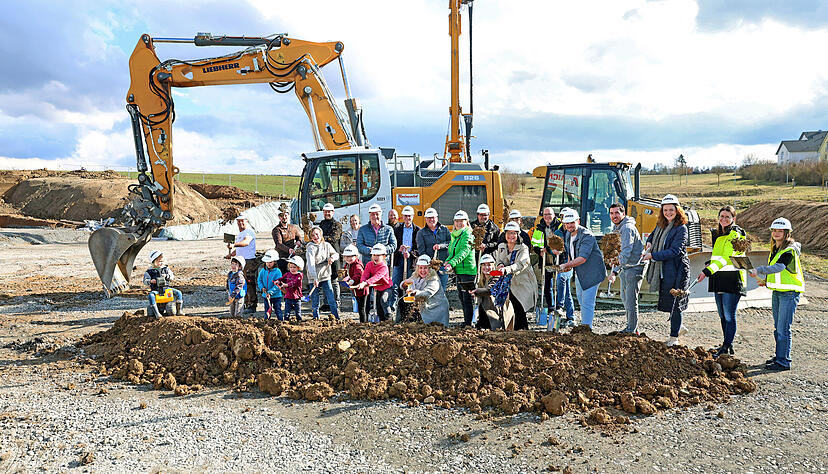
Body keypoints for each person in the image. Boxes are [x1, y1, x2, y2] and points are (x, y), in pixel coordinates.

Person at [749, 217, 804, 371]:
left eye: (780, 231)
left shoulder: (789, 250)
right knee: (778, 328)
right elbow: (778, 272)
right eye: (774, 230)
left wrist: (760, 270)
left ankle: (783, 361)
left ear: (787, 233)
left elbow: (780, 267)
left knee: (783, 329)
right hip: (778, 292)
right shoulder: (776, 249)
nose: (776, 233)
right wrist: (766, 281)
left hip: (789, 293)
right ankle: (780, 356)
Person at [696, 206, 747, 357]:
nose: (724, 219)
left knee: (729, 316)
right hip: (719, 278)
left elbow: (726, 258)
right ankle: (728, 344)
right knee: (722, 315)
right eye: (722, 216)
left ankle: (725, 347)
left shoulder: (735, 234)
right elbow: (718, 257)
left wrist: (707, 271)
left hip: (732, 279)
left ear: (733, 219)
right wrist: (710, 263)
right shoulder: (719, 235)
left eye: (727, 217)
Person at [643, 194, 690, 346]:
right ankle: (678, 327)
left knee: (675, 302)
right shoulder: (661, 225)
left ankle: (674, 338)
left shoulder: (681, 229)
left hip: (677, 270)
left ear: (677, 210)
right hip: (665, 269)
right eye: (665, 210)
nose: (668, 213)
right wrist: (649, 243)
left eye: (671, 210)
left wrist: (653, 256)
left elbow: (674, 251)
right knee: (670, 302)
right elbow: (651, 237)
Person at [559, 209, 606, 329]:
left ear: (578, 221)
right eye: (567, 223)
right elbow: (570, 252)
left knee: (587, 302)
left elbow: (582, 258)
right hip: (580, 272)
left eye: (572, 222)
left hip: (592, 272)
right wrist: (568, 264)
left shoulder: (587, 236)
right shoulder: (568, 234)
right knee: (580, 298)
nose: (570, 225)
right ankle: (585, 325)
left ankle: (586, 328)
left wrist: (566, 265)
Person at [492, 221, 537, 330]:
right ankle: (514, 330)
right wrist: (500, 265)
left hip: (522, 281)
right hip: (507, 282)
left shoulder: (523, 248)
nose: (511, 236)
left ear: (518, 235)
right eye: (508, 233)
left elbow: (520, 264)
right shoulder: (501, 246)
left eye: (513, 233)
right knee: (510, 308)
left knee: (520, 307)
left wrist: (505, 269)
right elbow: (498, 260)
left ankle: (523, 331)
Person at [607, 203, 645, 334]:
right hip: (626, 266)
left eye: (617, 213)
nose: (614, 216)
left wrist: (614, 271)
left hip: (635, 266)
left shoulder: (627, 228)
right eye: (612, 213)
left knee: (630, 300)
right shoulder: (617, 227)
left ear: (623, 213)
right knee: (625, 298)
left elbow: (626, 252)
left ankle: (631, 330)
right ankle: (633, 327)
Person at [444, 210, 477, 326]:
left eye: (461, 221)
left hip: (467, 271)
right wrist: (448, 260)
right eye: (457, 221)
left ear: (466, 222)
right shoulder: (455, 235)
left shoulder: (467, 234)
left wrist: (451, 263)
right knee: (461, 297)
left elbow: (464, 252)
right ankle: (466, 321)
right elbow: (453, 252)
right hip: (459, 271)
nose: (459, 223)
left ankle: (469, 323)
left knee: (467, 298)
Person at [401, 255, 450, 326]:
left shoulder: (434, 279)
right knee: (403, 302)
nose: (423, 270)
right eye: (420, 268)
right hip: (423, 307)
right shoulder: (415, 275)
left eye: (425, 268)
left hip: (435, 308)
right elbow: (408, 282)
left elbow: (427, 293)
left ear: (430, 268)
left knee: (434, 328)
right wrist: (404, 284)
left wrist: (414, 292)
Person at [305, 226, 341, 320]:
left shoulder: (327, 245)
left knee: (331, 297)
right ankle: (316, 318)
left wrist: (332, 258)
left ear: (321, 234)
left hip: (325, 275)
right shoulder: (310, 248)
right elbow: (311, 264)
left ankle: (336, 317)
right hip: (313, 275)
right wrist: (314, 278)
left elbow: (336, 254)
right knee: (315, 300)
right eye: (313, 235)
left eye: (317, 234)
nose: (315, 237)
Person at [471, 253, 513, 330]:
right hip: (483, 315)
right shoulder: (480, 280)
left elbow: (490, 290)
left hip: (495, 314)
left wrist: (476, 291)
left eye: (489, 265)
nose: (486, 267)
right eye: (484, 265)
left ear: (493, 266)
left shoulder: (497, 277)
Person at [535, 207, 563, 318]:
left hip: (559, 258)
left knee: (560, 283)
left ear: (554, 215)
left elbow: (561, 241)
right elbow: (535, 243)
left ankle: (559, 306)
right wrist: (539, 250)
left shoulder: (560, 226)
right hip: (546, 260)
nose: (547, 216)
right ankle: (551, 307)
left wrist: (548, 248)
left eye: (549, 214)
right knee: (547, 285)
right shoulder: (539, 228)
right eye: (545, 214)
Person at [227, 214, 257, 314]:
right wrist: (231, 254)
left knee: (249, 283)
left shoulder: (249, 232)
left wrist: (234, 244)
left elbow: (246, 243)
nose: (240, 223)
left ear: (246, 221)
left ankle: (251, 304)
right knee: (240, 282)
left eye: (242, 221)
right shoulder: (240, 234)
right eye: (239, 221)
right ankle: (244, 303)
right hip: (241, 261)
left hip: (248, 261)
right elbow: (240, 248)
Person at [416, 207, 451, 290]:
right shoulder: (421, 233)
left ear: (437, 218)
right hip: (429, 267)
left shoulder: (444, 229)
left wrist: (441, 246)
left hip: (442, 264)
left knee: (442, 288)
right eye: (429, 218)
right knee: (430, 288)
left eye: (433, 217)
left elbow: (450, 243)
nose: (431, 220)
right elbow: (421, 251)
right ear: (425, 219)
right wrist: (428, 263)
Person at [356, 243, 393, 322]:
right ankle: (382, 322)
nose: (375, 257)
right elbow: (365, 275)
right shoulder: (369, 264)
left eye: (378, 255)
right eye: (374, 255)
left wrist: (366, 283)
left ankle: (389, 317)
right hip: (378, 288)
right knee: (379, 308)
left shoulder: (384, 267)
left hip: (387, 287)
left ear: (384, 256)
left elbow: (377, 277)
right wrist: (362, 282)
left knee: (384, 300)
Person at [553, 208, 576, 328]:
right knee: (566, 291)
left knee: (561, 278)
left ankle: (559, 306)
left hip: (570, 264)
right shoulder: (558, 232)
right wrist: (554, 251)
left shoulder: (573, 231)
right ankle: (570, 317)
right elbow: (552, 247)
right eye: (562, 217)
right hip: (560, 263)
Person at [143, 250, 184, 318]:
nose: (161, 263)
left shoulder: (166, 269)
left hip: (166, 289)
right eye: (159, 261)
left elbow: (172, 277)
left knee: (178, 293)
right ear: (153, 261)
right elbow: (145, 281)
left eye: (162, 261)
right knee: (151, 295)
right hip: (156, 290)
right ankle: (156, 313)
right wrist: (150, 281)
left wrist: (167, 276)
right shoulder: (149, 271)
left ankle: (179, 310)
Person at [393, 206, 420, 305]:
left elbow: (419, 248)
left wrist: (411, 254)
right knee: (395, 283)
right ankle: (394, 305)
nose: (407, 218)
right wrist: (399, 250)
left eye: (409, 216)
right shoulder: (397, 229)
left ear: (412, 216)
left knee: (410, 283)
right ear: (403, 217)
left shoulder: (417, 230)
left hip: (411, 261)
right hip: (399, 259)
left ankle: (409, 304)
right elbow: (393, 245)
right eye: (405, 216)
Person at [319, 202, 343, 310]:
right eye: (325, 212)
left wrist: (321, 238)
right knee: (325, 279)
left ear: (333, 212)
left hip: (334, 255)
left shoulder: (337, 225)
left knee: (334, 280)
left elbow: (333, 238)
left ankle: (336, 302)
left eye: (329, 212)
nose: (327, 213)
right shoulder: (321, 224)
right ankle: (326, 303)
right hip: (323, 255)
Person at [272, 210, 305, 274]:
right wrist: (288, 249)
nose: (284, 217)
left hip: (292, 257)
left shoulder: (293, 227)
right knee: (283, 275)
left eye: (285, 215)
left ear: (288, 216)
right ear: (279, 217)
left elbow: (299, 237)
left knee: (293, 275)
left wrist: (299, 241)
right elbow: (279, 244)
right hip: (282, 257)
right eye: (282, 216)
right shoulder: (276, 230)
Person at [342, 245, 368, 323]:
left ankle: (363, 323)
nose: (348, 258)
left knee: (362, 308)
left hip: (361, 289)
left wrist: (352, 281)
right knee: (360, 307)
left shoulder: (357, 265)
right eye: (346, 257)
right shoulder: (348, 264)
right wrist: (346, 277)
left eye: (350, 256)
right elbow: (348, 274)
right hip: (355, 289)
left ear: (356, 256)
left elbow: (358, 275)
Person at [257, 249, 283, 321]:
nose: (268, 264)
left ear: (275, 262)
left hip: (276, 296)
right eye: (267, 262)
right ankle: (266, 322)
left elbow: (278, 284)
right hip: (266, 295)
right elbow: (259, 280)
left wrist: (270, 292)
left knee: (278, 310)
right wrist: (262, 288)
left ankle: (280, 321)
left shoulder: (277, 272)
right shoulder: (263, 271)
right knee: (267, 311)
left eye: (270, 262)